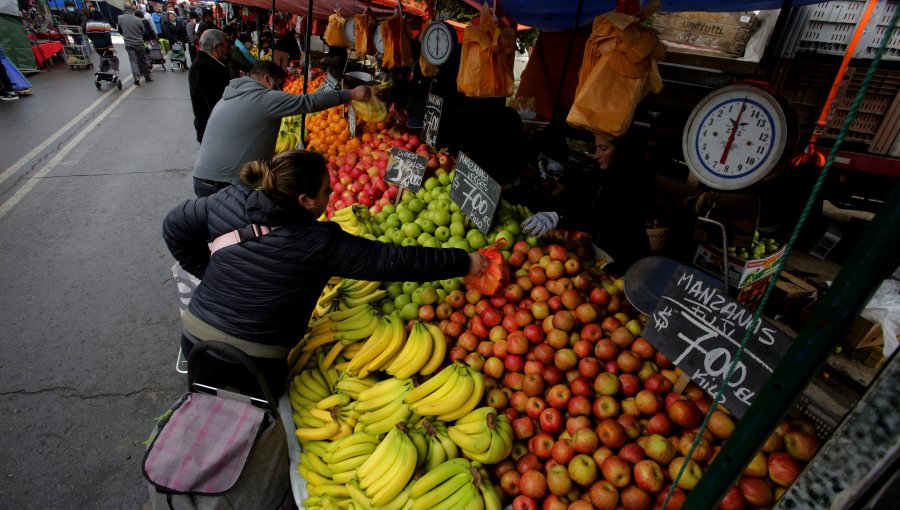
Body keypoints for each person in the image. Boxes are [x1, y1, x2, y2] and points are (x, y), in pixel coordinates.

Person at [163, 149, 487, 395]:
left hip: (193, 340)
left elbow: (174, 227)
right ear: (304, 200)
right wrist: (465, 262)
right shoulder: (320, 242)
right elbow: (395, 260)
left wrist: (209, 274)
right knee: (254, 427)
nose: (331, 195)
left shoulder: (228, 198)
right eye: (325, 191)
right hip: (255, 363)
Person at [191, 61, 370, 198]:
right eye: (280, 85)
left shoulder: (229, 97)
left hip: (203, 177)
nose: (282, 90)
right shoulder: (264, 98)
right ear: (268, 80)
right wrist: (351, 94)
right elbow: (308, 102)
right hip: (224, 185)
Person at [520, 130, 656, 273]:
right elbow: (589, 185)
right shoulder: (609, 167)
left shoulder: (636, 180)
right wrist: (563, 173)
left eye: (603, 149)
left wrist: (560, 217)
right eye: (596, 148)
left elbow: (603, 213)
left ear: (623, 150)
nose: (597, 155)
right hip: (603, 251)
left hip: (626, 257)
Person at [188, 29, 231, 143]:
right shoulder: (203, 69)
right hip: (212, 133)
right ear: (216, 47)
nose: (229, 51)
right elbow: (216, 105)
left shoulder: (207, 64)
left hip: (212, 130)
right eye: (227, 47)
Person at [117, 4, 153, 84]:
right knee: (143, 60)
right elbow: (143, 31)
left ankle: (136, 77)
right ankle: (147, 76)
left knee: (133, 60)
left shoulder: (120, 18)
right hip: (139, 42)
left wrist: (125, 35)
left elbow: (119, 29)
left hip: (128, 43)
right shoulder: (138, 20)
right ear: (132, 10)